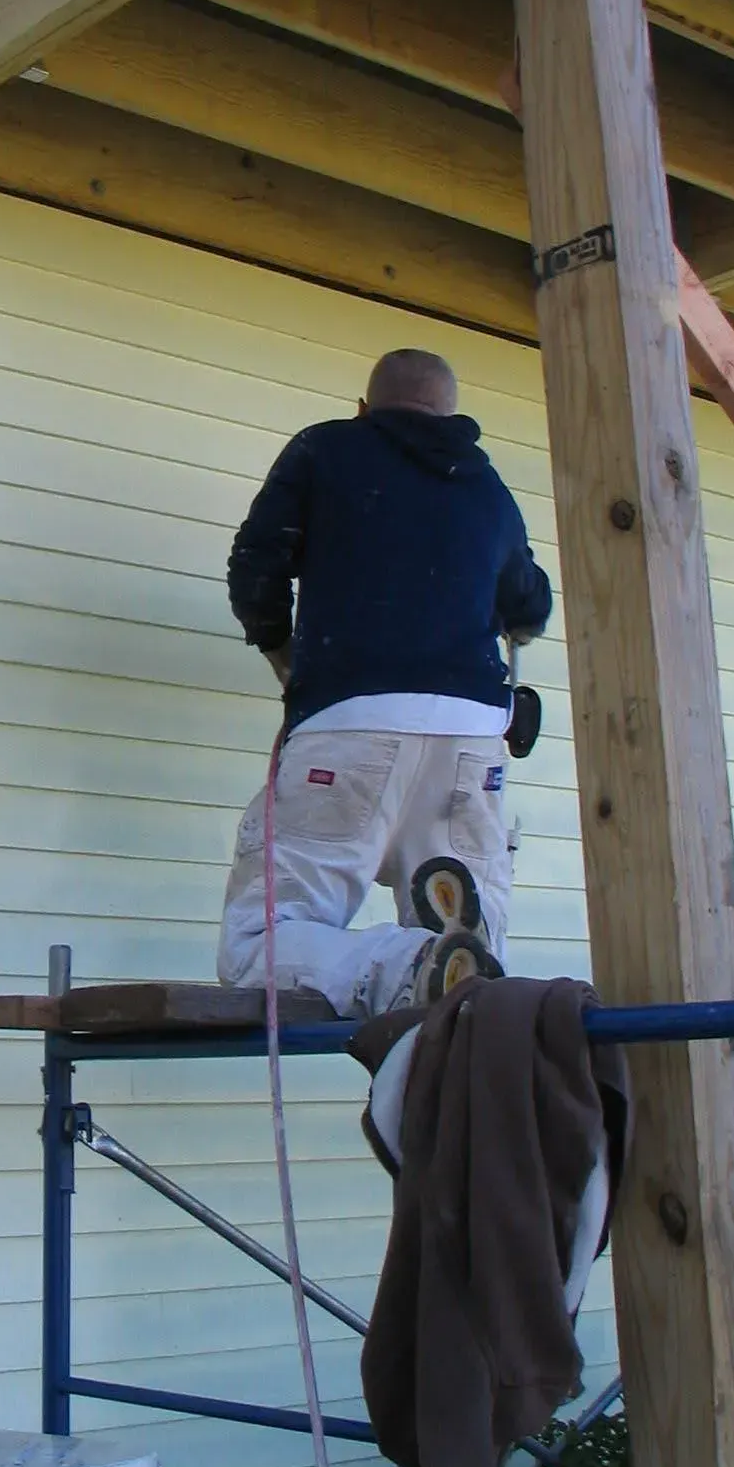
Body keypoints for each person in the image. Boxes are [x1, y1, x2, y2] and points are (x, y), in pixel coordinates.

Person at [216, 348, 553, 1018]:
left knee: (262, 944)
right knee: (468, 982)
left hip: (350, 724)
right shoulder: (487, 488)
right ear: (455, 419)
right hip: (473, 739)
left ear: (364, 408)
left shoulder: (326, 450)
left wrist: (286, 658)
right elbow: (530, 609)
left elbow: (255, 566)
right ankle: (449, 961)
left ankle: (412, 959)